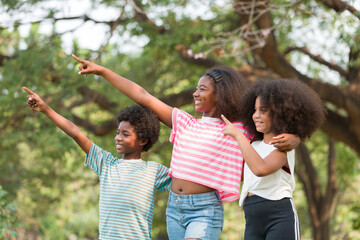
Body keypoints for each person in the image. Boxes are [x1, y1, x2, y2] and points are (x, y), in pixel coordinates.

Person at [72, 54, 300, 240]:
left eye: (202, 89)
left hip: (205, 210)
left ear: (219, 93)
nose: (195, 93)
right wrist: (103, 72)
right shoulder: (184, 122)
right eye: (196, 88)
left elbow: (273, 123)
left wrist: (295, 137)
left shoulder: (237, 128)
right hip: (174, 208)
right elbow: (142, 95)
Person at [23, 86, 171, 240]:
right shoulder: (106, 164)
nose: (118, 138)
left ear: (143, 140)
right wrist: (45, 109)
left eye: (125, 134)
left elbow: (186, 182)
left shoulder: (153, 170)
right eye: (117, 132)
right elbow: (75, 133)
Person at [221, 78, 326, 240]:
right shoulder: (252, 145)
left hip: (279, 216)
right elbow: (237, 173)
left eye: (263, 110)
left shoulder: (282, 145)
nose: (256, 115)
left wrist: (237, 135)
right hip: (251, 218)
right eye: (254, 110)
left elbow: (260, 169)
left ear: (279, 112)